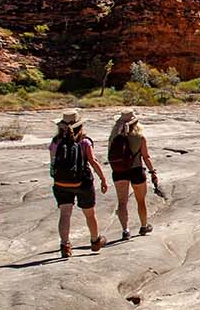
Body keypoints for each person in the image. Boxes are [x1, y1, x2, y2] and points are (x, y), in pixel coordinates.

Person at [48, 110, 108, 258]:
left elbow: (53, 163)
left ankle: (65, 245)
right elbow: (92, 161)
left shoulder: (56, 142)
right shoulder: (84, 141)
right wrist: (103, 178)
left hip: (61, 183)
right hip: (82, 182)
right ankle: (95, 241)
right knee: (89, 213)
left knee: (65, 213)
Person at [107, 110, 156, 240]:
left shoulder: (113, 137)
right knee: (141, 200)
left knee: (122, 202)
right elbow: (146, 156)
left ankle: (125, 230)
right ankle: (144, 225)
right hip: (136, 170)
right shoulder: (139, 137)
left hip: (119, 171)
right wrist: (152, 171)